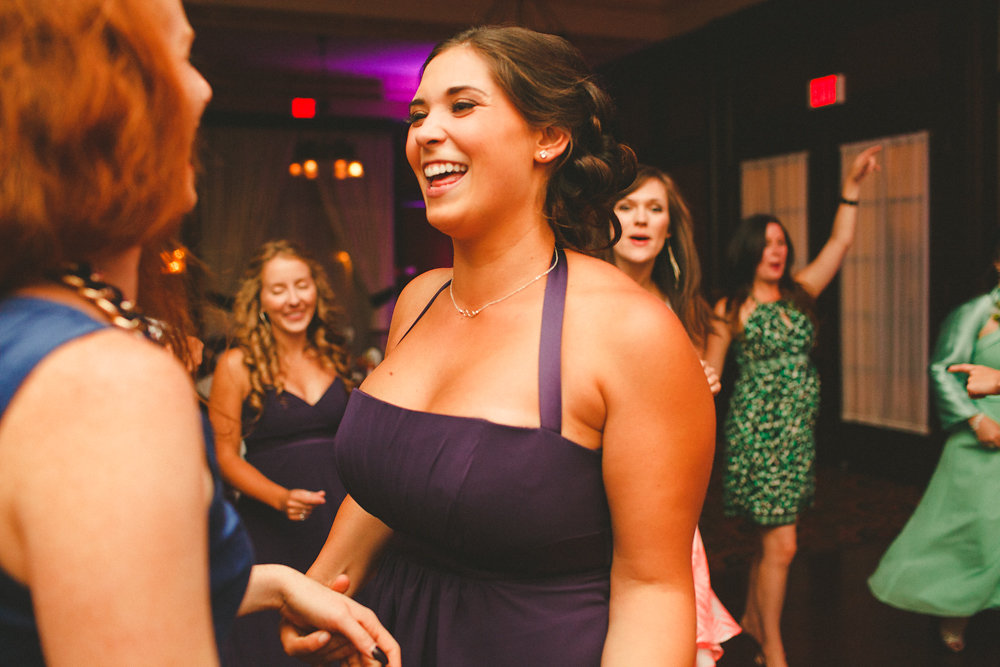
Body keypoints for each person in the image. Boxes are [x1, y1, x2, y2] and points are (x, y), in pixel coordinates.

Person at [281, 25, 716, 667]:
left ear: (548, 138)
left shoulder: (630, 332)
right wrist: (317, 598)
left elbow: (653, 589)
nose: (426, 132)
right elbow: (393, 492)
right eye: (418, 115)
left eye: (462, 106)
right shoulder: (419, 301)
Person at [0, 1, 399, 665]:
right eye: (182, 56)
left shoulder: (35, 325)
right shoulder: (102, 383)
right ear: (102, 105)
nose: (205, 88)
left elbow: (92, 591)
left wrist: (275, 584)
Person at [704, 145, 881, 667]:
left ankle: (755, 619)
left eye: (781, 242)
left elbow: (840, 243)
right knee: (781, 546)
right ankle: (773, 649)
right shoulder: (730, 308)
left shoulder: (801, 292)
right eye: (766, 243)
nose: (776, 251)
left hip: (797, 436)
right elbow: (708, 376)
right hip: (756, 437)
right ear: (748, 251)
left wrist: (851, 188)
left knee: (771, 545)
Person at [611, 165, 740, 665]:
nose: (641, 219)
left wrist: (701, 386)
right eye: (626, 207)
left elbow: (689, 412)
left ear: (669, 229)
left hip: (664, 488)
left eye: (654, 209)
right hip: (597, 484)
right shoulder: (583, 295)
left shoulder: (681, 305)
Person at [210, 239, 354, 666]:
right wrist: (281, 498)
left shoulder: (334, 357)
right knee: (274, 647)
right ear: (260, 301)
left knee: (339, 636)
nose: (293, 299)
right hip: (272, 526)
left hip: (338, 521)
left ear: (316, 290)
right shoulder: (236, 365)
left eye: (301, 285)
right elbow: (224, 455)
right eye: (278, 290)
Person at [868, 265, 1000, 653]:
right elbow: (943, 368)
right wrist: (976, 419)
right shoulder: (978, 311)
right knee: (970, 533)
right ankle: (953, 609)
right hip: (981, 439)